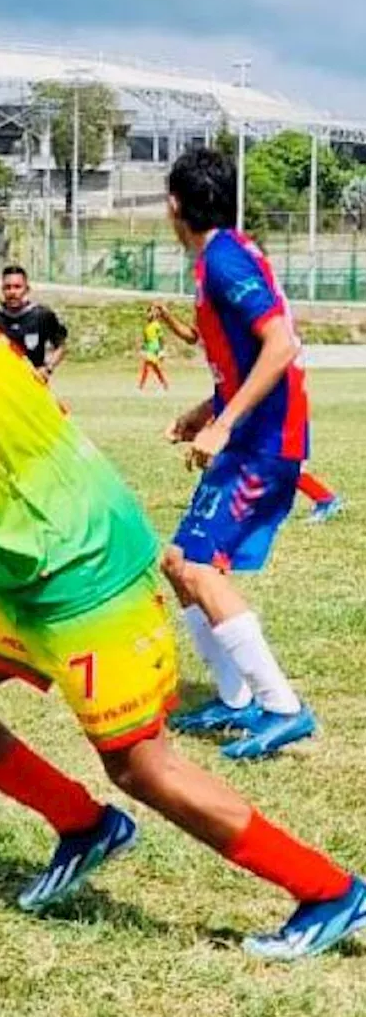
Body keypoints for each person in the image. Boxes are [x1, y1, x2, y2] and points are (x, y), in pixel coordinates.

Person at [0, 180, 366, 960]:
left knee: (142, 764)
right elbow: (10, 411)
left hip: (77, 558)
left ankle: (330, 890)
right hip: (26, 553)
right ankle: (85, 826)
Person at [156, 148, 324, 759]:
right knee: (179, 562)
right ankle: (234, 699)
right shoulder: (220, 257)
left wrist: (223, 424)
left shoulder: (224, 260)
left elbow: (280, 344)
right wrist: (205, 412)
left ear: (175, 204)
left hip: (263, 441)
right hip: (246, 432)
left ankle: (284, 706)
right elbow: (250, 360)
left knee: (201, 569)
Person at [152, 297, 344, 527]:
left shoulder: (240, 333)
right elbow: (192, 336)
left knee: (268, 456)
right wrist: (167, 317)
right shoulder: (216, 327)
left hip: (263, 398)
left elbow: (252, 379)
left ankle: (325, 498)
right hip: (238, 397)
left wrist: (215, 420)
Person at [0, 265, 68, 382]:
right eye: (7, 287)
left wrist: (47, 369)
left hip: (32, 382)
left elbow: (60, 346)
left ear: (27, 289)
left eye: (17, 287)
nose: (12, 292)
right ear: (2, 290)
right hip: (0, 382)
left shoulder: (42, 315)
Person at [138, 308, 170, 391]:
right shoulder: (146, 327)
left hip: (155, 349)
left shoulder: (156, 325)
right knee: (154, 368)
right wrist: (143, 348)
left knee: (148, 367)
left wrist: (161, 350)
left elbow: (161, 338)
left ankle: (141, 386)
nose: (147, 315)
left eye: (149, 313)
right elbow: (145, 339)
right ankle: (164, 384)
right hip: (149, 349)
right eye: (147, 313)